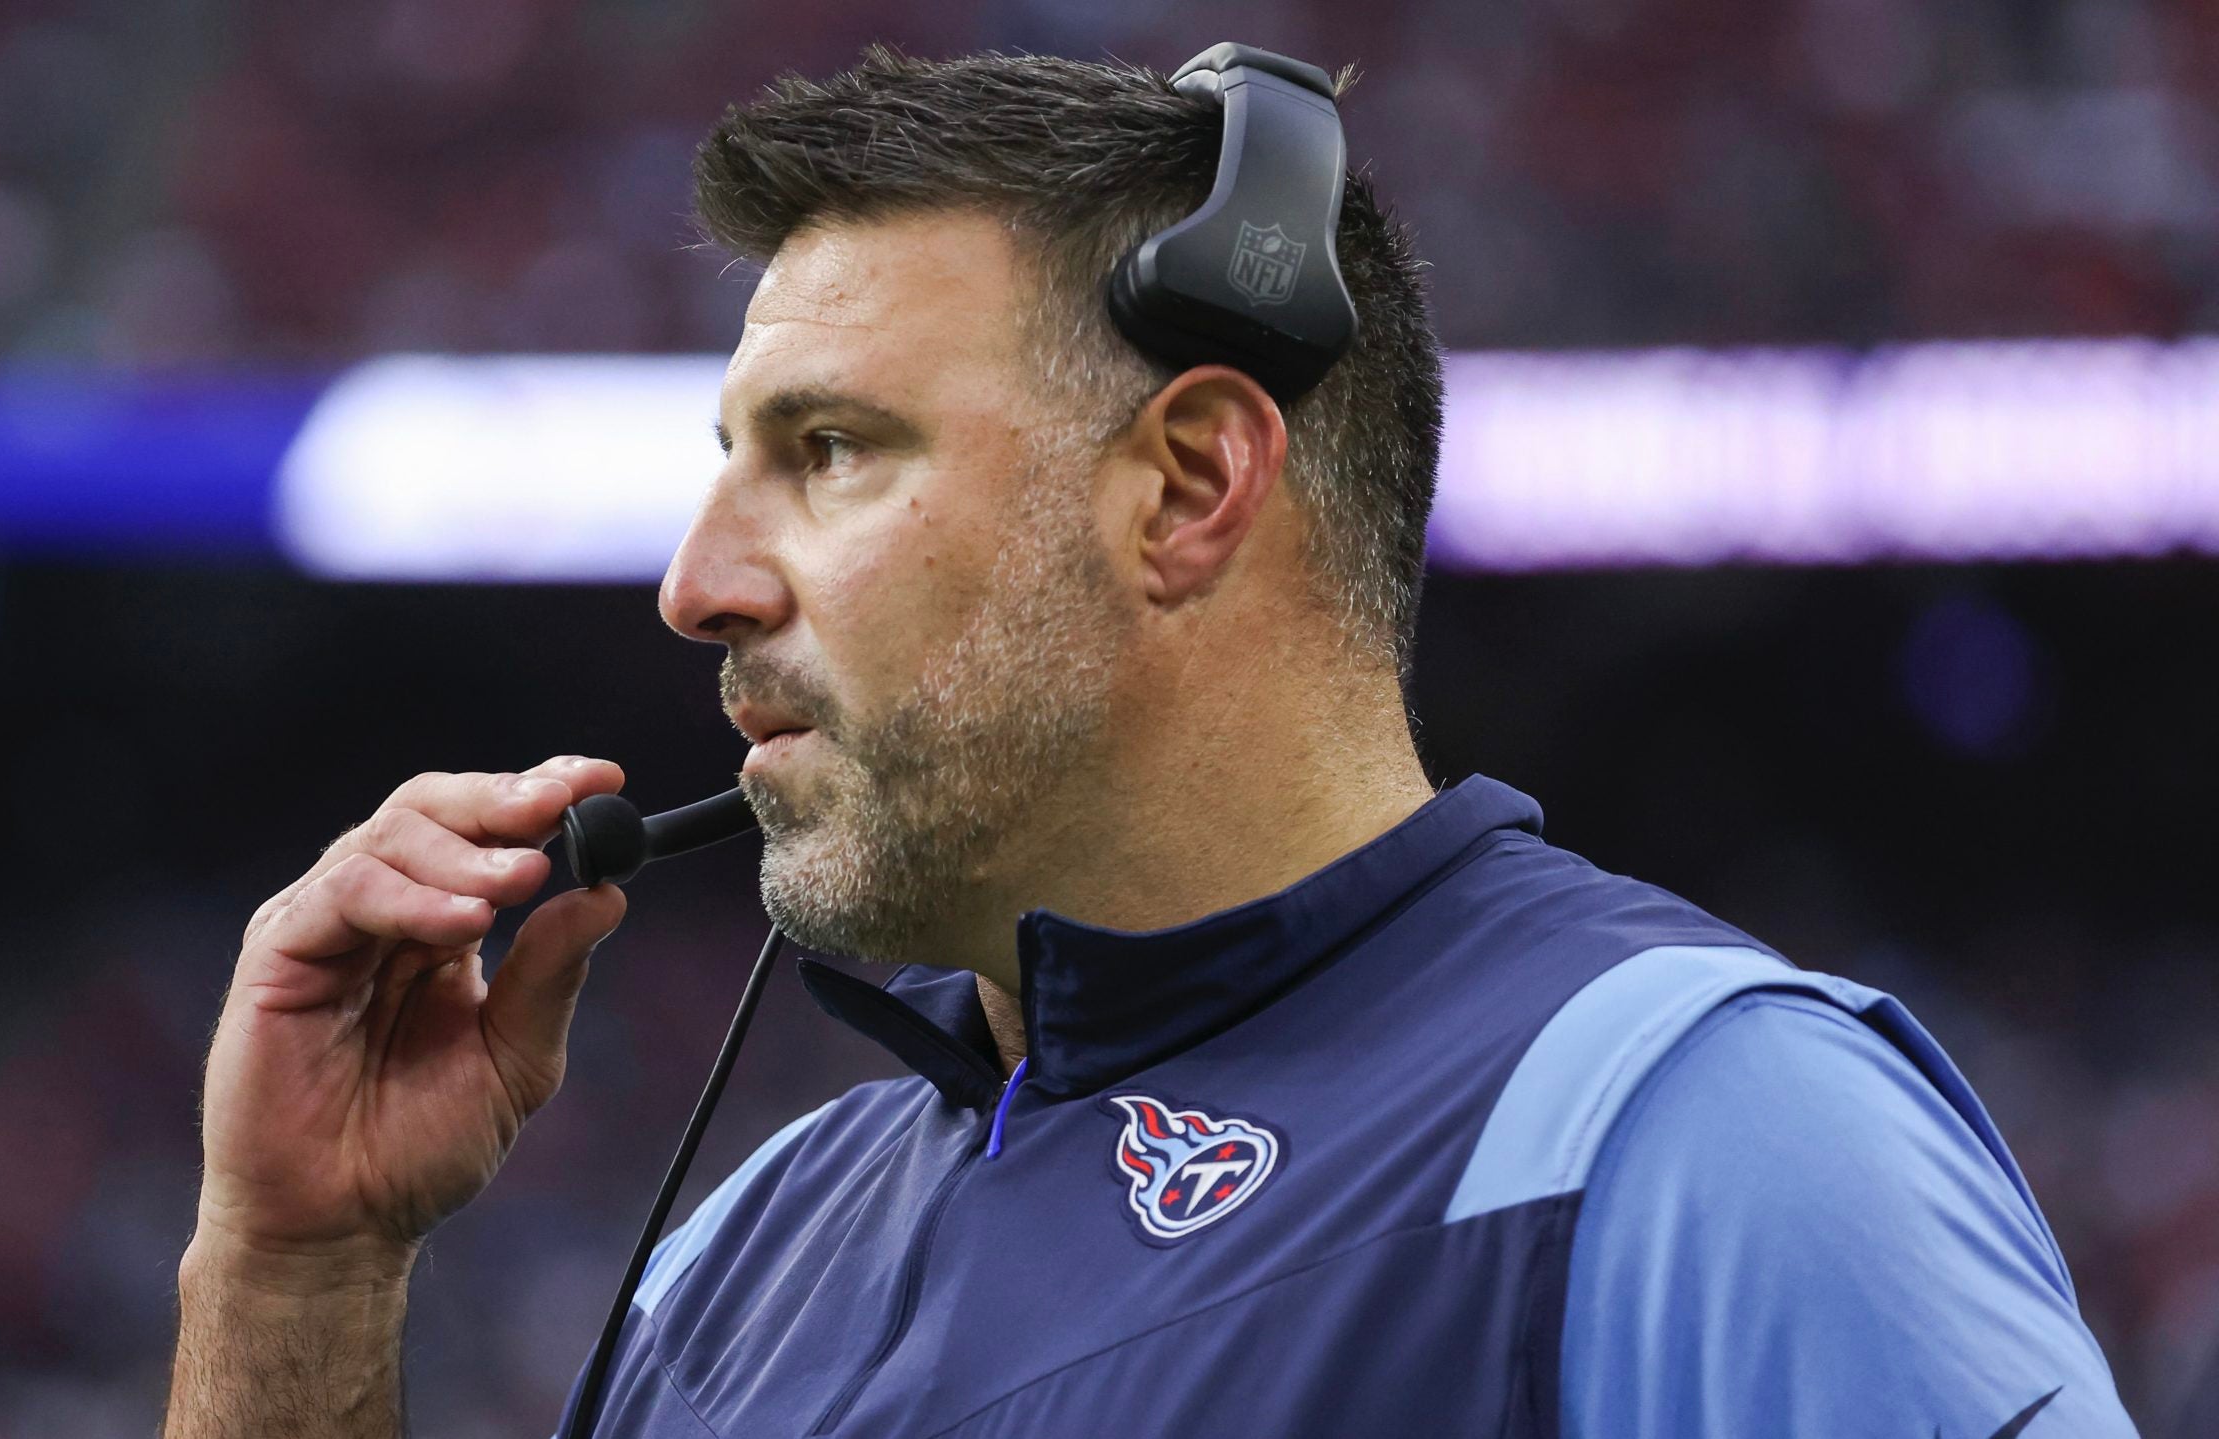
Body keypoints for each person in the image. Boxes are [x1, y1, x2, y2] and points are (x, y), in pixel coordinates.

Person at [165, 47, 2136, 1438]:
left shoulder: (1695, 1144)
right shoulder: (747, 1252)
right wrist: (299, 1281)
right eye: (725, 467)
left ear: (1190, 480)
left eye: (829, 452)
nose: (694, 584)